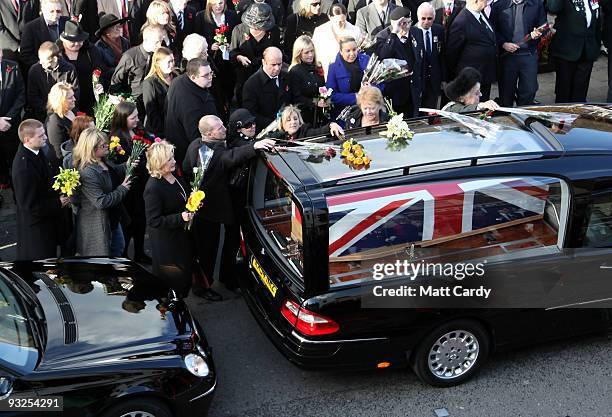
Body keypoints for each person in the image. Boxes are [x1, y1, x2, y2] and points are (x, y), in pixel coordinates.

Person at [182, 115, 275, 293]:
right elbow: (231, 157)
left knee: (207, 248)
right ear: (209, 133)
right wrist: (254, 146)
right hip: (210, 211)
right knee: (207, 251)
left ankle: (217, 280)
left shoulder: (195, 144)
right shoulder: (214, 153)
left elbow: (186, 168)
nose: (224, 129)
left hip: (202, 207)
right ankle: (203, 288)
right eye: (219, 128)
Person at [144, 140, 195, 297]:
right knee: (174, 280)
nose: (174, 161)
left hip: (181, 236)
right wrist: (181, 217)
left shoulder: (173, 176)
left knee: (184, 274)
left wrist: (192, 201)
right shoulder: (153, 188)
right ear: (159, 163)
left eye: (172, 157)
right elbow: (154, 221)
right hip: (168, 242)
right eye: (169, 159)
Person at [12, 119, 68, 260]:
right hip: (37, 231)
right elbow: (29, 206)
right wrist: (58, 203)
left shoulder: (36, 151)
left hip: (47, 223)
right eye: (41, 135)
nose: (46, 137)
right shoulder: (24, 167)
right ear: (27, 139)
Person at [72, 127, 131, 256]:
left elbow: (112, 173)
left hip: (113, 218)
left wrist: (128, 165)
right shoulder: (87, 172)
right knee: (104, 260)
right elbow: (101, 202)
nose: (107, 146)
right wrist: (123, 189)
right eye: (103, 145)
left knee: (118, 249)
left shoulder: (102, 160)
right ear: (91, 149)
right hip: (97, 225)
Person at [109, 101, 151, 263]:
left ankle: (139, 252)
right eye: (133, 117)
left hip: (142, 184)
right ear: (122, 119)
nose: (137, 120)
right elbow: (123, 162)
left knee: (141, 221)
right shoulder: (116, 139)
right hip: (129, 188)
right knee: (129, 223)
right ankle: (125, 255)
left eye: (137, 116)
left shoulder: (139, 131)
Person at [489, 0, 545, 107]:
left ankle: (524, 116)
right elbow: (492, 29)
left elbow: (544, 25)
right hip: (507, 56)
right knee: (506, 92)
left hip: (529, 55)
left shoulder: (537, 4)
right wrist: (503, 43)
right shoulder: (499, 5)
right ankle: (507, 118)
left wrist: (538, 32)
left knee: (529, 90)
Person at [165, 58, 218, 165]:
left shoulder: (179, 80)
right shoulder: (191, 104)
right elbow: (195, 136)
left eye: (211, 73)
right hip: (189, 151)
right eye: (206, 75)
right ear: (193, 77)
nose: (210, 77)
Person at [548, 0, 602, 103]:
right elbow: (552, 8)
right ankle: (562, 116)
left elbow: (598, 20)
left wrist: (597, 45)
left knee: (581, 90)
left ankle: (578, 114)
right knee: (564, 91)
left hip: (588, 50)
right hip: (566, 51)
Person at [229, 2, 281, 105]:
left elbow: (277, 50)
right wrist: (239, 57)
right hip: (245, 74)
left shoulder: (274, 31)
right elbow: (232, 52)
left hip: (266, 76)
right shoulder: (238, 30)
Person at [446, 0, 498, 101]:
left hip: (485, 74)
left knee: (484, 106)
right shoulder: (461, 21)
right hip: (472, 78)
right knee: (474, 109)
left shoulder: (481, 13)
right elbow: (452, 53)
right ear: (476, 1)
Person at [376, 7, 422, 117]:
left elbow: (421, 60)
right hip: (395, 93)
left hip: (413, 90)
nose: (407, 26)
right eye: (403, 24)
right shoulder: (383, 36)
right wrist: (394, 32)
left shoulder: (416, 32)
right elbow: (383, 56)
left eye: (409, 22)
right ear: (394, 23)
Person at [111, 25, 164, 119]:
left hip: (153, 101)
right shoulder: (130, 57)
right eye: (156, 42)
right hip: (135, 103)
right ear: (146, 39)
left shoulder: (158, 55)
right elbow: (116, 81)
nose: (159, 45)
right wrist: (122, 99)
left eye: (160, 41)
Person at [195, 0, 239, 111]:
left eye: (220, 3)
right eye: (214, 4)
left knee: (229, 83)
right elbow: (198, 35)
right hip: (212, 59)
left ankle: (228, 105)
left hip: (228, 59)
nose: (218, 6)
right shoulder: (201, 16)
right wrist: (210, 46)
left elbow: (236, 34)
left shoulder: (232, 15)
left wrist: (231, 44)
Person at [58, 21, 107, 116]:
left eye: (80, 41)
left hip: (89, 100)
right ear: (64, 40)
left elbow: (101, 70)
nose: (77, 44)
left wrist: (100, 83)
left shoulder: (90, 50)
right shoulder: (58, 53)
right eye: (73, 41)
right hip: (68, 102)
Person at [180, 33, 229, 123]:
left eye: (206, 51)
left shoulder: (207, 60)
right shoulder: (187, 69)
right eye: (203, 53)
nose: (206, 54)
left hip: (217, 100)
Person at [27, 42, 78, 123]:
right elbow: (32, 96)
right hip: (43, 116)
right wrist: (48, 109)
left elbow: (75, 92)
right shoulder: (35, 70)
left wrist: (63, 108)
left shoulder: (69, 69)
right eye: (40, 59)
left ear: (54, 59)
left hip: (66, 114)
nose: (40, 62)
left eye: (44, 61)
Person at [243, 46, 291, 132]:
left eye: (279, 64)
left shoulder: (286, 76)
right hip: (265, 130)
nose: (277, 68)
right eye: (273, 65)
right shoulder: (252, 84)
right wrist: (275, 124)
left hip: (287, 126)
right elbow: (251, 113)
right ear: (263, 62)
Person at [312, 3, 362, 78]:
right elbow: (315, 53)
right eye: (336, 22)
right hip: (327, 72)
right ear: (330, 17)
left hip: (350, 74)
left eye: (342, 21)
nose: (339, 25)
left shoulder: (355, 31)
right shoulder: (320, 31)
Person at [0, 49, 26, 191]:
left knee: (14, 155)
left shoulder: (12, 67)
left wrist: (8, 118)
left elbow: (21, 95)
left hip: (10, 123)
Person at [326, 36, 370, 116]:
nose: (352, 54)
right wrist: (355, 97)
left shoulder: (366, 60)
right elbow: (331, 95)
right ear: (341, 51)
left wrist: (371, 89)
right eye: (348, 51)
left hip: (369, 109)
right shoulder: (333, 68)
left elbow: (381, 83)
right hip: (345, 113)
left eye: (354, 49)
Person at [288, 36, 327, 126]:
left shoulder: (318, 67)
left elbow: (323, 87)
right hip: (304, 117)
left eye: (312, 51)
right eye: (306, 52)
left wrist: (326, 100)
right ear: (299, 54)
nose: (310, 55)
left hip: (320, 115)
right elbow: (296, 98)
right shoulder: (295, 71)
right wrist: (315, 102)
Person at [19, 0, 68, 70]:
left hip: (66, 70)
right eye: (52, 11)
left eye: (58, 11)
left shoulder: (67, 23)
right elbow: (25, 55)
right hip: (43, 72)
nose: (55, 14)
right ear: (43, 10)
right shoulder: (30, 28)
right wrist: (44, 64)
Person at [414, 3, 445, 109]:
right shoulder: (412, 32)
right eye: (423, 18)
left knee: (431, 109)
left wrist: (443, 78)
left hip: (434, 79)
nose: (426, 21)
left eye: (430, 18)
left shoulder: (439, 30)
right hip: (419, 79)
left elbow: (442, 56)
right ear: (418, 17)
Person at [143, 47, 175, 138]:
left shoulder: (176, 76)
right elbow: (151, 112)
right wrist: (162, 134)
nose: (172, 64)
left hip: (175, 126)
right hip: (159, 130)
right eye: (168, 62)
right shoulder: (150, 83)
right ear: (158, 63)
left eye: (173, 60)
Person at [268, 105, 344, 140]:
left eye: (295, 119)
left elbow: (320, 131)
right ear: (282, 123)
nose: (293, 122)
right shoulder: (276, 136)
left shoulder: (305, 132)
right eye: (288, 120)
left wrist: (331, 125)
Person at [46, 82, 76, 161]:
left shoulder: (72, 110)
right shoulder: (54, 121)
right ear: (60, 100)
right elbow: (59, 153)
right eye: (70, 98)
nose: (74, 99)